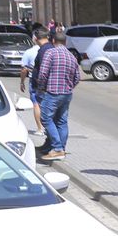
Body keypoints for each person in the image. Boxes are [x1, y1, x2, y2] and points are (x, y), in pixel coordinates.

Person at [35, 28, 80, 161]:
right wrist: (69, 86)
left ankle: (57, 148)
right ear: (65, 42)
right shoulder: (72, 56)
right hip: (67, 93)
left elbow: (43, 73)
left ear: (53, 41)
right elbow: (77, 77)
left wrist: (42, 88)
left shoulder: (51, 53)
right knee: (61, 121)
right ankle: (62, 148)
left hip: (53, 92)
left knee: (46, 119)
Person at [18, 28, 49, 136]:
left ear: (34, 39)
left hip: (34, 81)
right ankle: (49, 128)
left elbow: (24, 69)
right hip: (49, 82)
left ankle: (40, 129)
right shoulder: (50, 49)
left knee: (36, 105)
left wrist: (22, 82)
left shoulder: (29, 52)